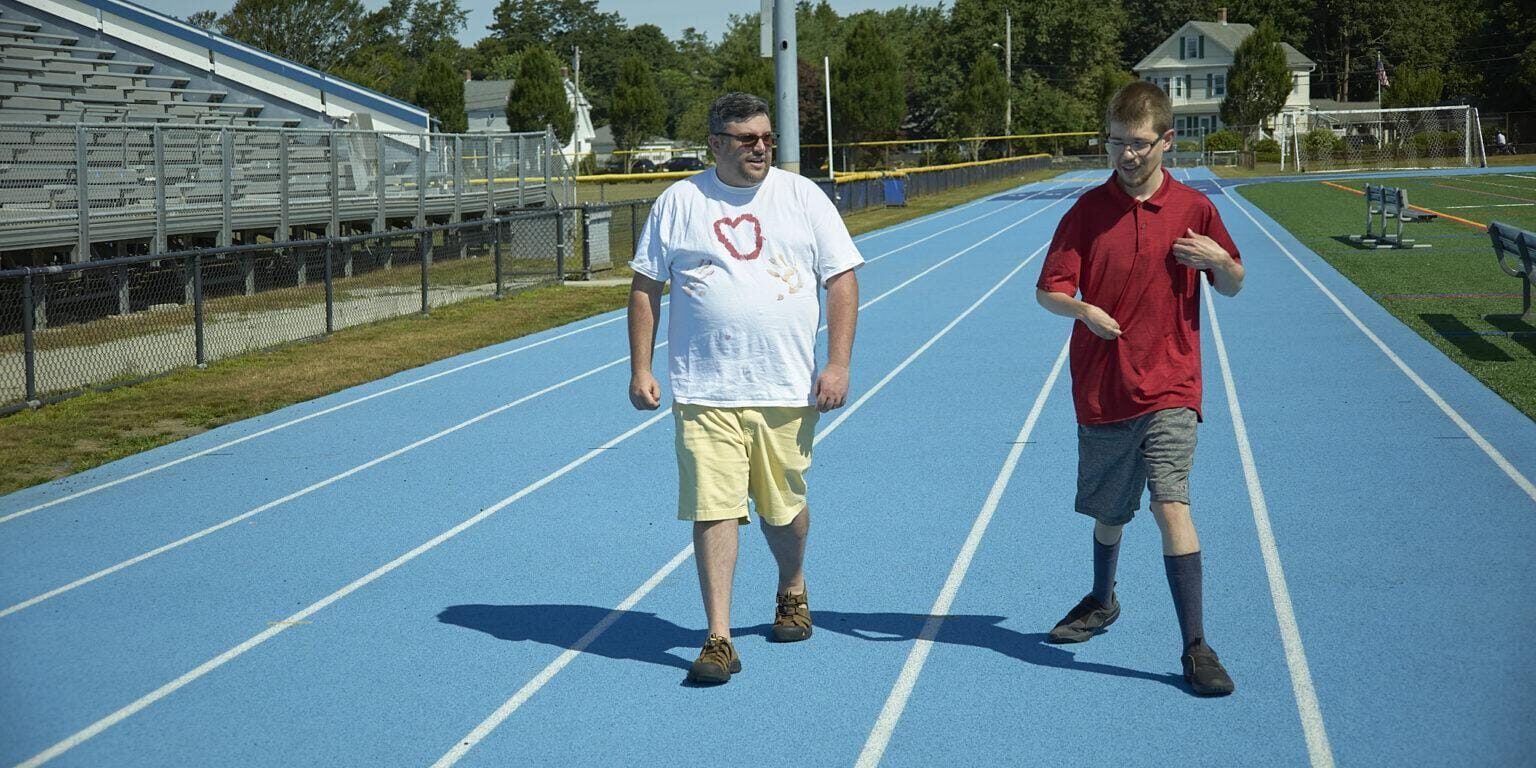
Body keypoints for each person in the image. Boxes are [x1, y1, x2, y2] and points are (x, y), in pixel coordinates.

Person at [626, 92, 863, 685]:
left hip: (784, 387)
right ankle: (718, 637)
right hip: (705, 388)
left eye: (766, 138)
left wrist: (837, 363)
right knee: (714, 508)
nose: (760, 147)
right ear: (715, 144)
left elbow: (841, 278)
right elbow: (644, 286)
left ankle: (791, 583)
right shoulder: (680, 202)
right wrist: (640, 367)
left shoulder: (802, 197)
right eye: (746, 138)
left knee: (783, 510)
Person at [1034, 81, 1245, 697]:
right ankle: (1103, 599)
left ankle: (1196, 646)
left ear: (1167, 142)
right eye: (1117, 144)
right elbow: (1048, 290)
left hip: (1172, 384)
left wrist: (1220, 262)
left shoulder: (1194, 211)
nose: (1127, 156)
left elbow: (1232, 284)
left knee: (1170, 502)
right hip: (1102, 389)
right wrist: (1083, 312)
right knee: (1108, 513)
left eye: (1139, 144)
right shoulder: (1084, 213)